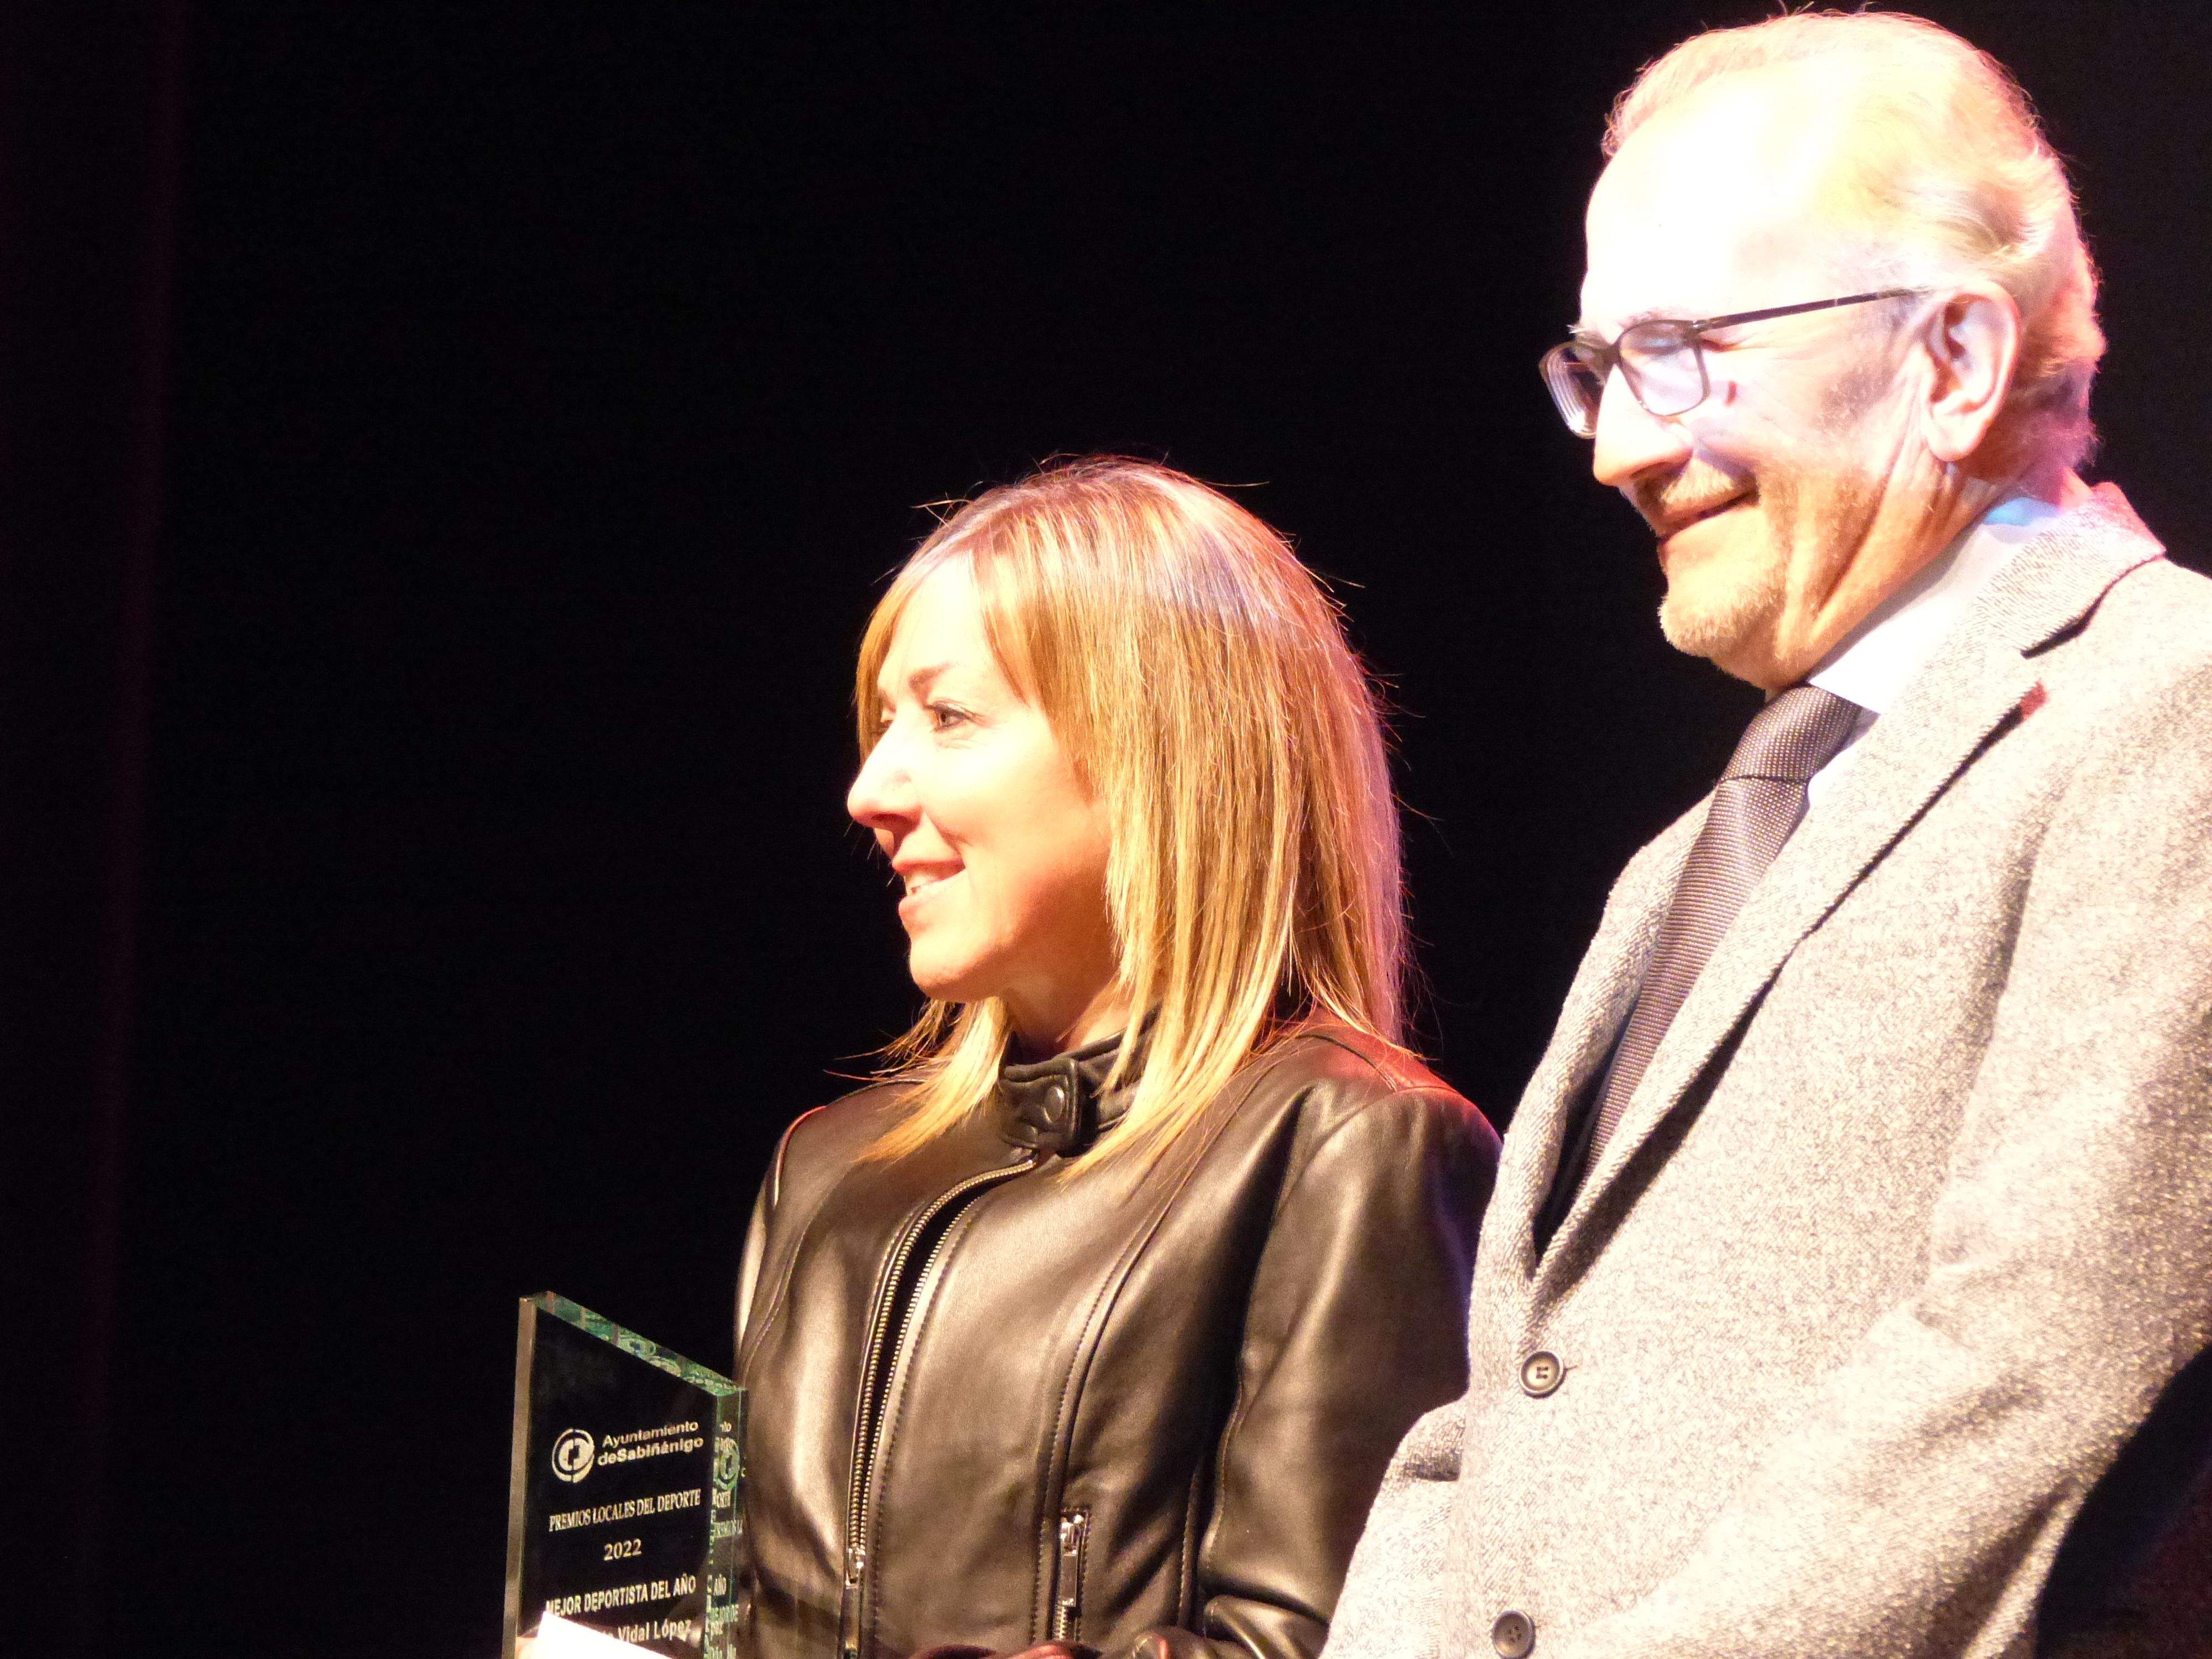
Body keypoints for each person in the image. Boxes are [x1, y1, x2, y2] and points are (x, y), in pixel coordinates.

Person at [1326, 13, 2212, 1659]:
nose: (1614, 446)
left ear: (1950, 360)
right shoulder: (1689, 860)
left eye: (1676, 352)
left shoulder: (2176, 707)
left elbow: (2045, 1357)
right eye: (1592, 370)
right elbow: (1496, 1425)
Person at [733, 458, 1499, 1659]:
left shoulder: (1345, 1145)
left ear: (1155, 748)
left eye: (946, 717)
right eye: (884, 724)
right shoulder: (827, 1172)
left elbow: (1331, 1647)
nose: (870, 789)